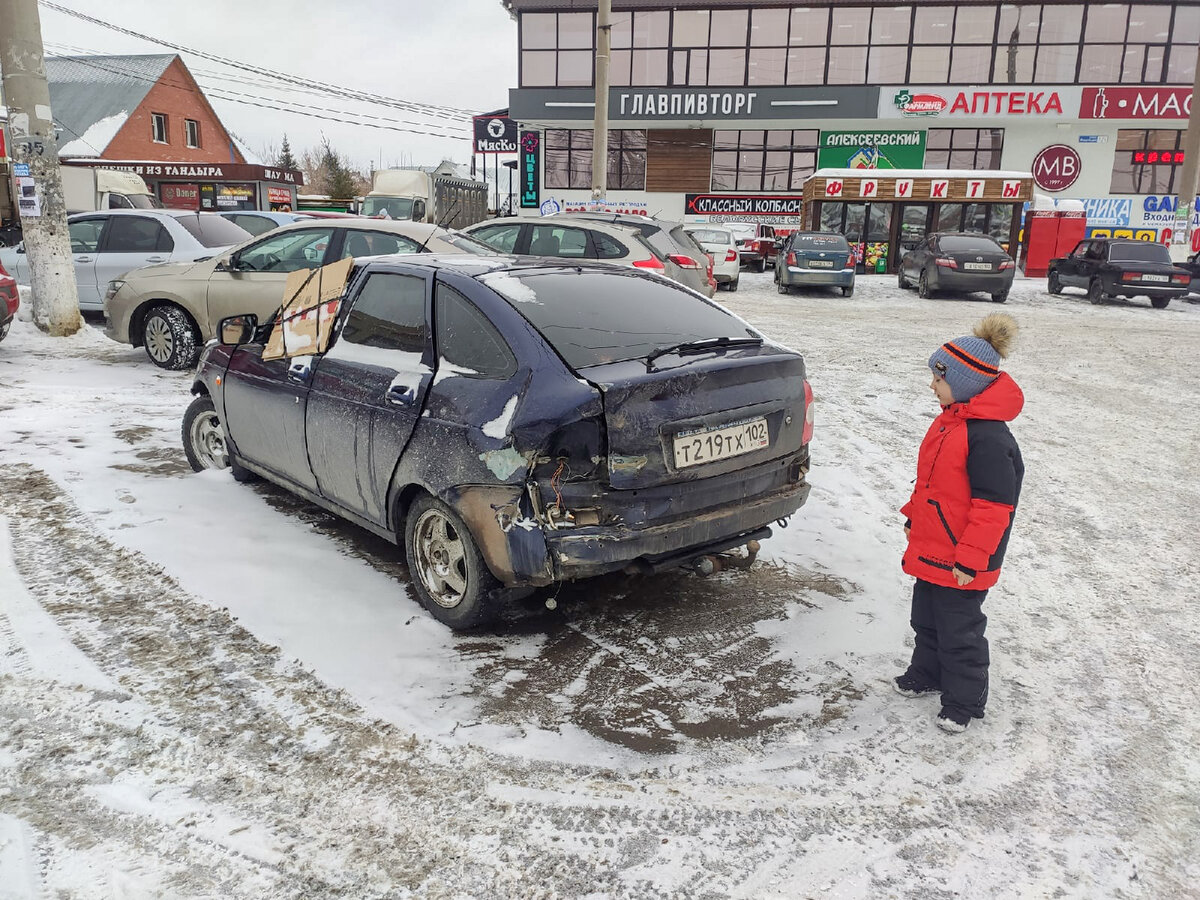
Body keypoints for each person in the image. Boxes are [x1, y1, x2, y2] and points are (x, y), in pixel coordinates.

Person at [894, 313, 1025, 734]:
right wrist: (915, 516)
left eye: (939, 378)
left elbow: (993, 509)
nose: (932, 385)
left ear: (965, 383)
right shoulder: (949, 422)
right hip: (934, 547)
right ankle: (927, 673)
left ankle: (965, 700)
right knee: (926, 619)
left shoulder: (988, 439)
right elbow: (931, 484)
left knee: (960, 631)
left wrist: (970, 558)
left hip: (963, 558)